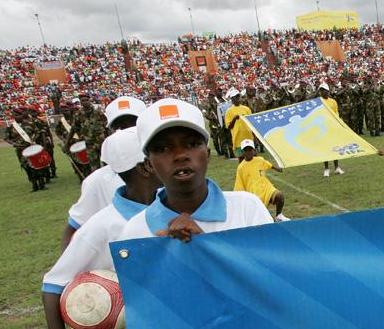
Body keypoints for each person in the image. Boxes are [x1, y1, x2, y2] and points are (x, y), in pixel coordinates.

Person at [41, 127, 161, 329]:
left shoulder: (179, 205)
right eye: (162, 151)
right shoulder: (103, 226)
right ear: (146, 167)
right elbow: (52, 286)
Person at [117, 98, 274, 242]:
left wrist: (203, 244)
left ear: (207, 154)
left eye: (192, 144)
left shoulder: (247, 209)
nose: (180, 155)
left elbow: (268, 264)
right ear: (149, 164)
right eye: (163, 148)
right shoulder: (135, 232)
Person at [60, 101, 147, 251]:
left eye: (134, 124)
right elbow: (74, 226)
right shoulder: (97, 181)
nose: (127, 131)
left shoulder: (169, 170)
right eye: (119, 127)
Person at [233, 139, 290, 222]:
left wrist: (276, 168)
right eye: (246, 150)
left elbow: (267, 164)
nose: (248, 152)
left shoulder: (259, 160)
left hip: (266, 189)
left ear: (254, 151)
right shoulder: (241, 168)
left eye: (250, 149)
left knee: (279, 196)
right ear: (242, 152)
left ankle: (279, 215)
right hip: (254, 194)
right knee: (266, 220)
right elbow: (239, 186)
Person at [4, 108, 45, 192]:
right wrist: (13, 143)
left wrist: (34, 139)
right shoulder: (11, 127)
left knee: (37, 166)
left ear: (22, 115)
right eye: (15, 115)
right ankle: (34, 184)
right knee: (26, 167)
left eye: (19, 115)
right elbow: (6, 138)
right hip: (20, 150)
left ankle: (41, 183)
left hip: (31, 148)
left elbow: (38, 132)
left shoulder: (29, 124)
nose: (17, 117)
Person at [66, 93, 108, 171]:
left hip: (102, 143)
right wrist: (67, 144)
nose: (85, 102)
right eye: (83, 100)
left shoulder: (98, 112)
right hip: (90, 145)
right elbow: (73, 129)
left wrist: (109, 139)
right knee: (95, 168)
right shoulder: (78, 115)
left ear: (89, 100)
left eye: (87, 100)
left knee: (107, 164)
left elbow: (107, 126)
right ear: (80, 102)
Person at [318, 83, 344, 177]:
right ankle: (326, 169)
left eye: (324, 90)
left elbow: (336, 113)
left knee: (335, 147)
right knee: (325, 148)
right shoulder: (318, 102)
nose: (322, 92)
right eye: (321, 90)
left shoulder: (333, 101)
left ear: (328, 91)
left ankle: (337, 167)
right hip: (323, 128)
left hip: (332, 128)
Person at [223, 88, 254, 158]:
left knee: (252, 158)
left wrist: (254, 138)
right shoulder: (229, 111)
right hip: (238, 139)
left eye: (238, 96)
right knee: (241, 158)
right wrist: (234, 119)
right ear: (232, 99)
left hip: (248, 137)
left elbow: (252, 124)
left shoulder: (246, 109)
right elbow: (229, 127)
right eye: (236, 97)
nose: (238, 98)